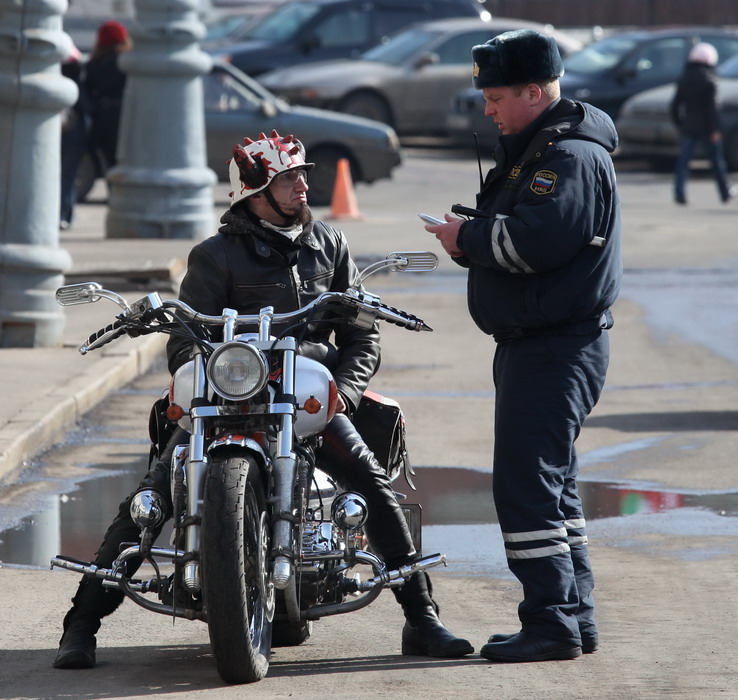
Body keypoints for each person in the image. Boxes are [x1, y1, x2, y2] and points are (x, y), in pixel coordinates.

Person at [52, 130, 473, 670]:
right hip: (227, 396)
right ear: (254, 191)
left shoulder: (328, 244)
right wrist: (193, 377)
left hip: (307, 399)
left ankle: (423, 617)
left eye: (302, 176)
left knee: (370, 477)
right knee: (154, 491)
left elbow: (362, 334)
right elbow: (185, 337)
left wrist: (341, 392)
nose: (303, 186)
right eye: (288, 178)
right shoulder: (214, 255)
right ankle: (81, 625)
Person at [425, 30, 622, 663]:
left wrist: (470, 238)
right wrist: (473, 238)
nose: (488, 109)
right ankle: (572, 616)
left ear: (534, 91)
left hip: (554, 347)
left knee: (526, 488)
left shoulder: (568, 158)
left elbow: (535, 243)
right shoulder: (544, 147)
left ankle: (551, 623)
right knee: (553, 488)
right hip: (541, 343)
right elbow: (524, 241)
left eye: (497, 96)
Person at [671, 41, 734, 205]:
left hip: (688, 126)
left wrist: (680, 124)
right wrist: (715, 130)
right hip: (707, 128)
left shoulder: (684, 79)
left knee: (683, 162)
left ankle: (679, 193)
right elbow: (712, 109)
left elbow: (675, 106)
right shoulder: (710, 80)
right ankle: (724, 192)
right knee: (717, 162)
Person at [85, 20, 130, 171]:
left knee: (111, 166)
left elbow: (88, 90)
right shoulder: (127, 63)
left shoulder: (94, 63)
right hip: (125, 118)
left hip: (102, 120)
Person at [60, 44, 89, 229]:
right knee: (68, 176)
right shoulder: (76, 85)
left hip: (60, 134)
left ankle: (63, 214)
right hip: (73, 134)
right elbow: (87, 106)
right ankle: (65, 214)